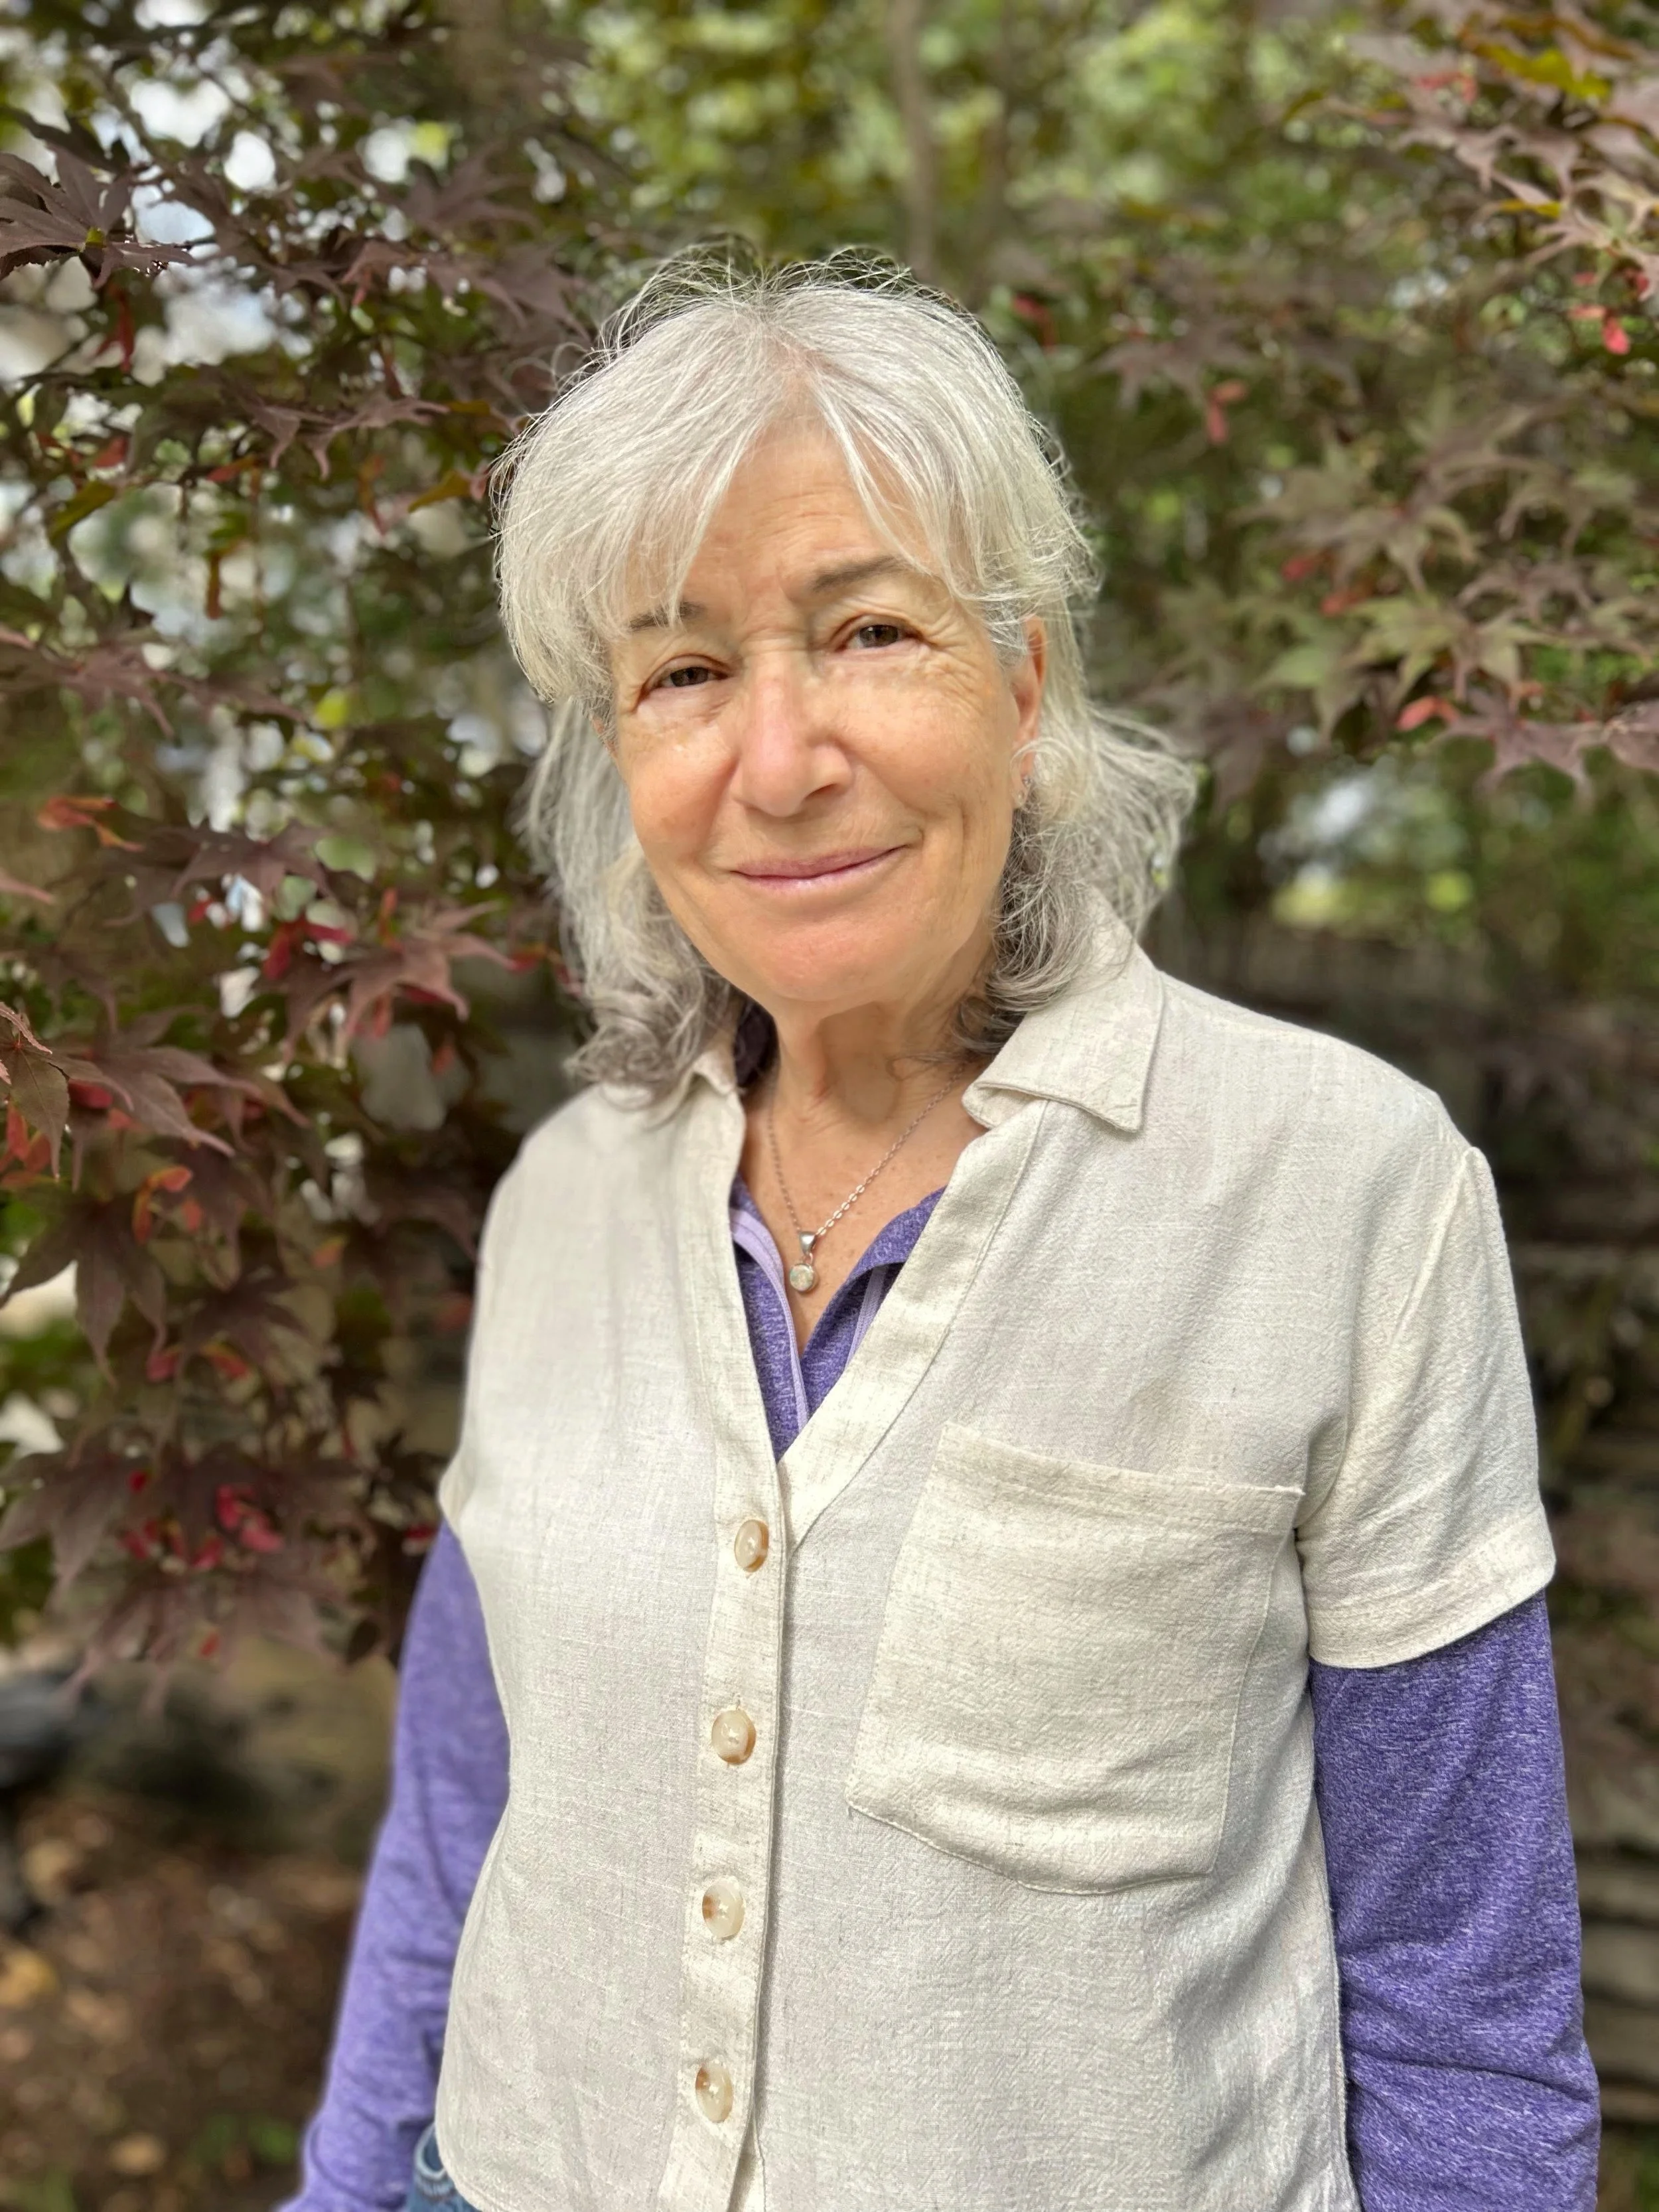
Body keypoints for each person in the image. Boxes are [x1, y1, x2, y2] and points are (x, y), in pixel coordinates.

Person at [282, 256, 1599, 2212]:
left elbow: (1460, 1995)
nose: (781, 756)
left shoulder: (1341, 1188)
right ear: (618, 754)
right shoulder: (566, 1194)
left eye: (869, 629)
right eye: (682, 669)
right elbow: (466, 1831)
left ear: (1023, 681)